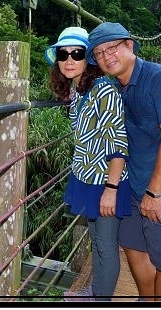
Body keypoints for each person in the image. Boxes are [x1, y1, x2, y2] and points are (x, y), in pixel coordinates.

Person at [85, 22, 161, 301]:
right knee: (132, 247)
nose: (106, 57)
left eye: (111, 48)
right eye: (99, 54)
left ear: (129, 45)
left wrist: (154, 191)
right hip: (136, 187)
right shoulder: (116, 89)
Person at [45, 26, 130, 301]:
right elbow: (82, 133)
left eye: (77, 53)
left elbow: (118, 142)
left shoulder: (104, 90)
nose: (69, 60)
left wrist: (111, 188)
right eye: (63, 54)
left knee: (105, 245)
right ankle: (95, 293)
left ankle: (101, 301)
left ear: (88, 59)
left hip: (105, 181)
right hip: (86, 176)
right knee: (96, 240)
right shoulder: (80, 90)